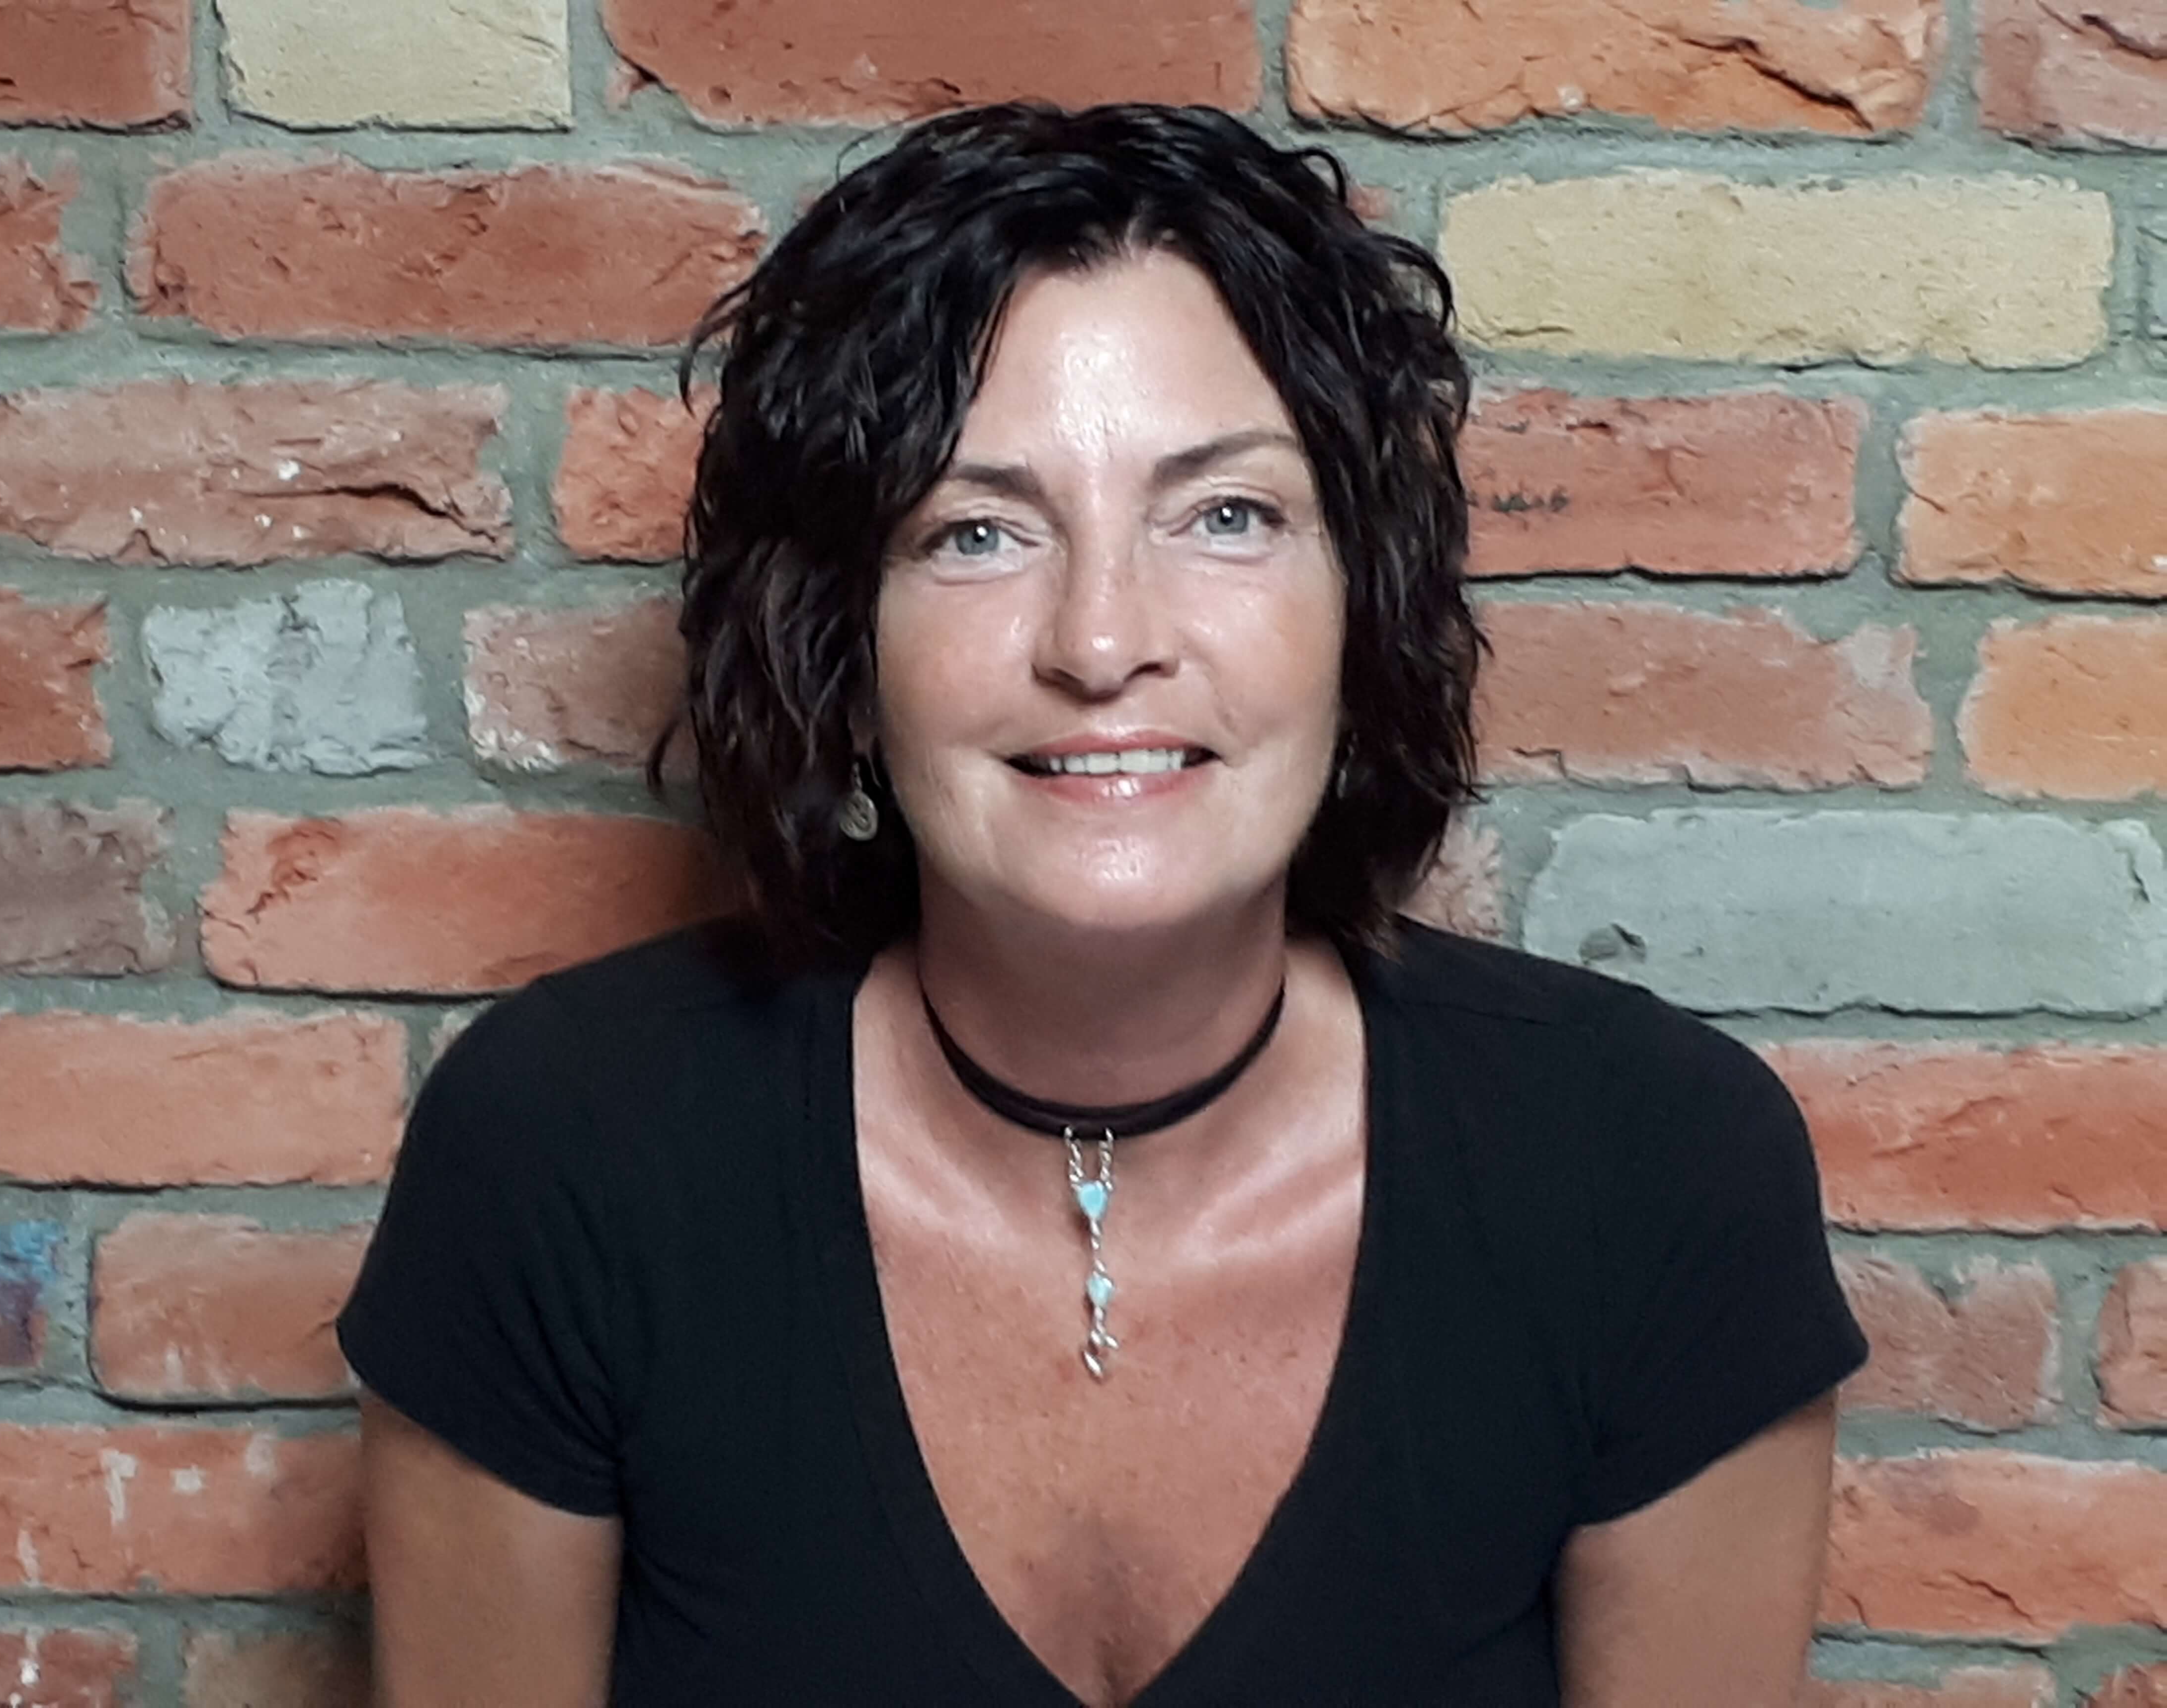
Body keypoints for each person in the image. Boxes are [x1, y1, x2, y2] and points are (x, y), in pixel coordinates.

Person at [338, 102, 1868, 1707]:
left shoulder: (1656, 1172)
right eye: (976, 531)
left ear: (1363, 603)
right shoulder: (562, 1154)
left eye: (1226, 516)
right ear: (843, 647)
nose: (1101, 640)